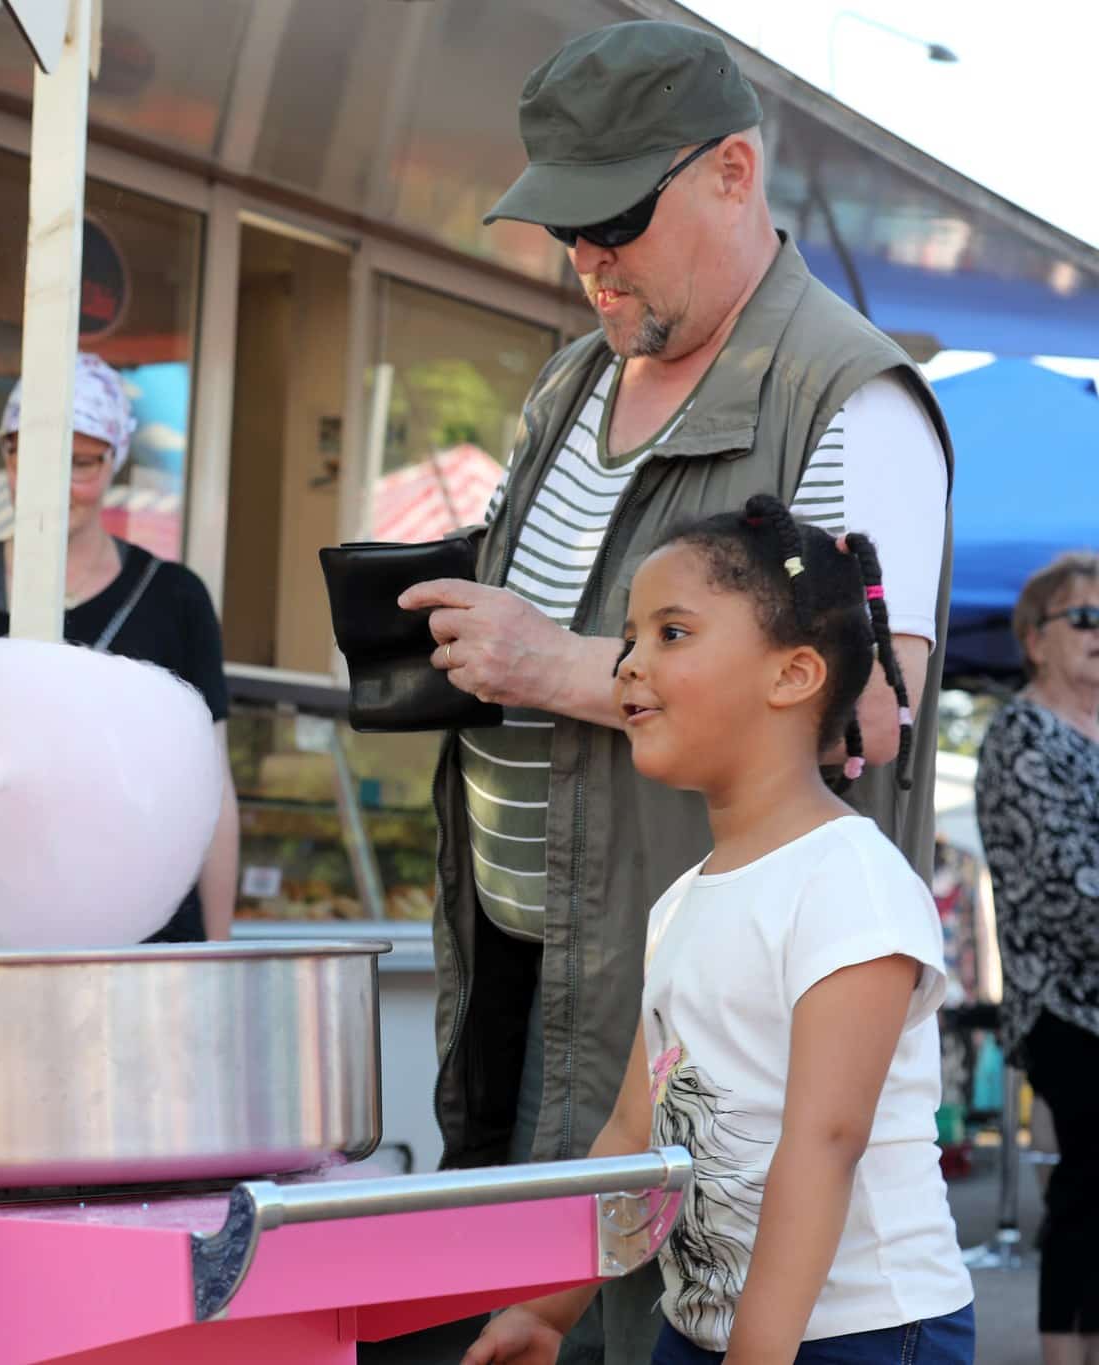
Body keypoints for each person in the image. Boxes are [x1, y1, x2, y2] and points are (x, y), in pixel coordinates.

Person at [393, 23, 952, 1361]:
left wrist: (555, 665)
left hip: (689, 992)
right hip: (533, 973)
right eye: (562, 221)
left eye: (613, 214)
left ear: (733, 174)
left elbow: (873, 708)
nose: (584, 251)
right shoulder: (571, 381)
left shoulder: (849, 394)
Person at [462, 496, 972, 1365]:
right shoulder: (682, 903)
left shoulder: (849, 881)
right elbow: (632, 1133)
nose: (628, 663)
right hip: (706, 1332)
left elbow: (826, 1141)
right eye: (631, 636)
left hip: (864, 1335)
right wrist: (547, 1310)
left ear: (793, 675)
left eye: (672, 633)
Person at [0, 352, 239, 943]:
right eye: (33, 456)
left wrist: (219, 957)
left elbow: (213, 792)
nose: (55, 482)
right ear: (6, 457)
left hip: (148, 943)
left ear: (116, 463)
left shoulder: (175, 600)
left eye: (82, 463)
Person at [974, 551, 1099, 1365]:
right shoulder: (1019, 733)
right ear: (1033, 638)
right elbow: (1068, 883)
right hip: (1064, 1003)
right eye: (1084, 618)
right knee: (1090, 1184)